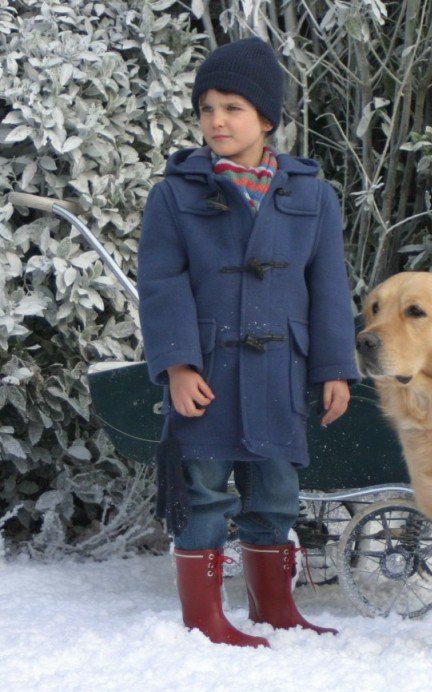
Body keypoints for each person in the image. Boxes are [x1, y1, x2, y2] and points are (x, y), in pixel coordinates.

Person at [137, 37, 360, 648]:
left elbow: (328, 287)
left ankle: (274, 606)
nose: (217, 121)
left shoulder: (311, 195)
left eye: (232, 108)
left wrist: (333, 368)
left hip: (280, 369)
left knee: (276, 490)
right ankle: (204, 617)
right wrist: (178, 366)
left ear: (265, 118)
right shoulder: (175, 194)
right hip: (207, 370)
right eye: (206, 108)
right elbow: (161, 285)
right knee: (204, 489)